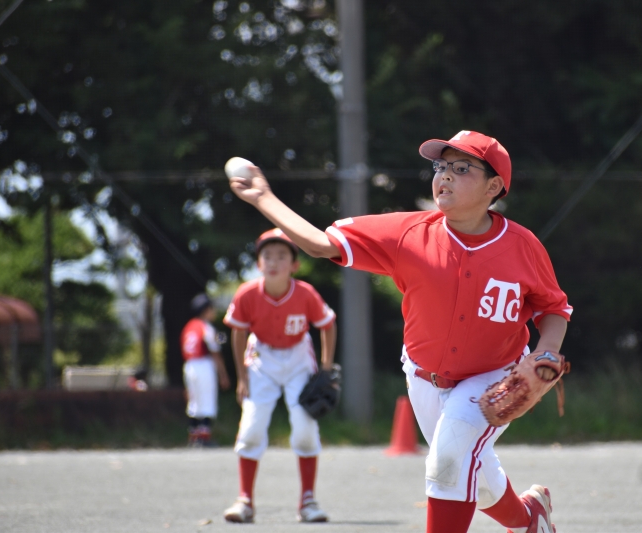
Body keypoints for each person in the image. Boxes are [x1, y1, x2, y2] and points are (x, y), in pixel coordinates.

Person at [228, 130, 572, 533]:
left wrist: (547, 350)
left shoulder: (522, 246)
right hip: (424, 378)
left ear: (493, 187)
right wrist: (263, 198)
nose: (445, 175)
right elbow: (322, 244)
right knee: (472, 473)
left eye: (462, 168)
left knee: (448, 460)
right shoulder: (409, 233)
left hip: (492, 375)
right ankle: (530, 520)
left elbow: (553, 307)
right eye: (441, 166)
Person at [222, 228, 338, 524]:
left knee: (304, 427)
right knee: (251, 427)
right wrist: (242, 378)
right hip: (262, 357)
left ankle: (308, 501)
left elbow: (327, 324)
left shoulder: (305, 293)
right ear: (258, 263)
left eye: (282, 255)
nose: (274, 261)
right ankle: (245, 500)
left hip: (298, 357)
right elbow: (238, 332)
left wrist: (326, 368)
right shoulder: (247, 293)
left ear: (294, 264)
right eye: (268, 255)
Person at [181, 293, 231, 447]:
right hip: (203, 364)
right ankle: (204, 437)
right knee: (207, 400)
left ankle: (194, 436)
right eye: (212, 309)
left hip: (189, 365)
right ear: (206, 310)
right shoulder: (206, 328)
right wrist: (223, 375)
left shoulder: (188, 327)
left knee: (194, 402)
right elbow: (215, 352)